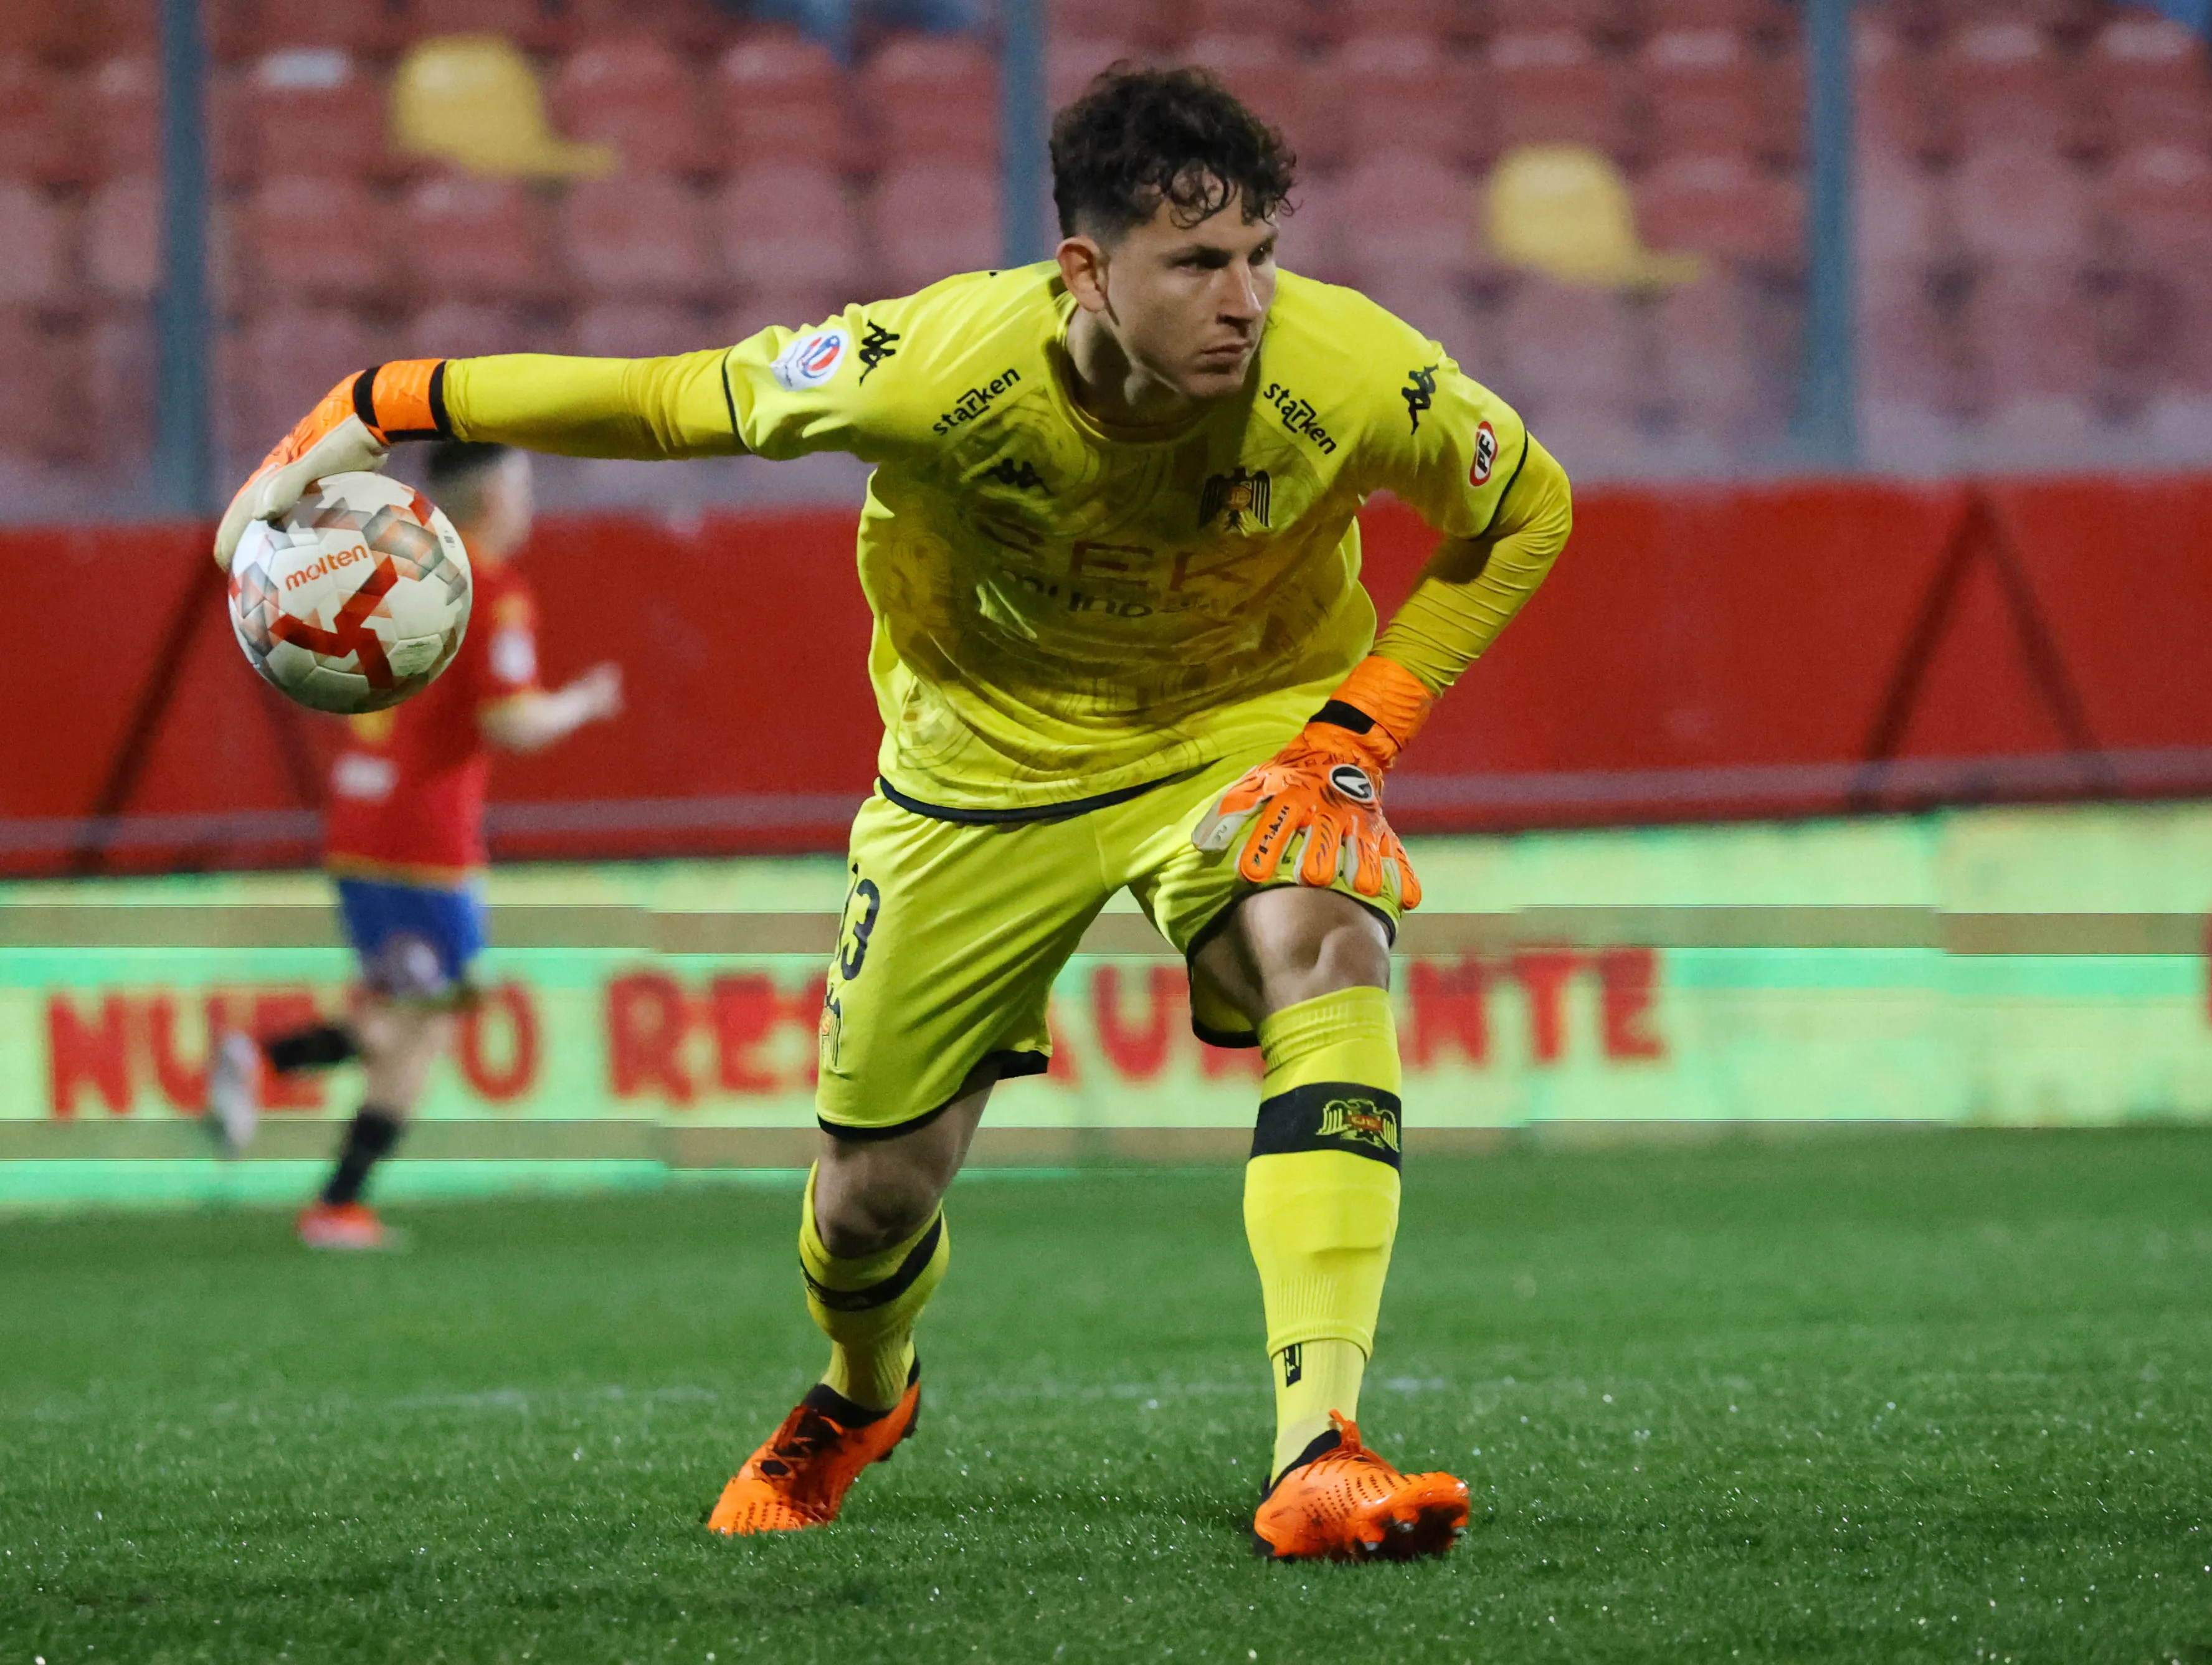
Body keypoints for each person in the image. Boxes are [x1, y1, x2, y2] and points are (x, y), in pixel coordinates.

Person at [211, 67, 1572, 1560]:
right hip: (978, 768)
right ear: (1087, 272)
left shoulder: (1351, 369)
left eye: (1259, 254)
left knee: (1326, 941)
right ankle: (864, 1393)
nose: (1244, 300)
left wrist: (1357, 732)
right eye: (1196, 264)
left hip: (1243, 733)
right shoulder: (929, 366)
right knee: (868, 1201)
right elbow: (675, 401)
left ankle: (1321, 1447)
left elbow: (1531, 508)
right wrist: (385, 399)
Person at [209, 442, 624, 1251]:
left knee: (408, 1010)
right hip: (423, 840)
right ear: (495, 497)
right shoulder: (493, 592)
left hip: (359, 819)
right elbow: (511, 722)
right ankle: (325, 1182)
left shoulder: (395, 571)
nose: (529, 503)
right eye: (523, 486)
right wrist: (581, 703)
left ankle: (277, 1087)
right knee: (426, 1019)